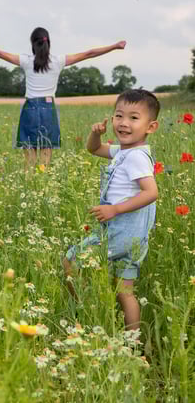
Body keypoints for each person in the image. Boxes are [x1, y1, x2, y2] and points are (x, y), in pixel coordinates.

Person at [63, 89, 160, 330]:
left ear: (151, 127)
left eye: (134, 118)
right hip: (134, 237)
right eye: (119, 116)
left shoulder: (136, 156)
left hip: (122, 231)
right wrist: (95, 134)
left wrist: (115, 209)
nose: (124, 123)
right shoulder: (124, 151)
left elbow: (151, 192)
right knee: (124, 291)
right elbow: (94, 149)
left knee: (71, 259)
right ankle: (133, 344)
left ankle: (85, 309)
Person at [0, 27, 126, 169]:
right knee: (46, 156)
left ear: (33, 44)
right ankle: (42, 185)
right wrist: (114, 46)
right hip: (49, 109)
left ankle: (29, 185)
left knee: (29, 159)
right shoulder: (58, 61)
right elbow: (89, 54)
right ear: (49, 42)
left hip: (30, 109)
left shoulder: (26, 61)